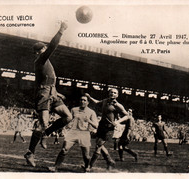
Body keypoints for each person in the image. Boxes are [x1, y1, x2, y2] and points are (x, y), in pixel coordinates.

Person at [24, 21, 73, 167]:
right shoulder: (40, 60)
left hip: (52, 92)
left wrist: (57, 93)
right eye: (44, 48)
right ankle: (30, 153)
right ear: (40, 51)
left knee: (68, 117)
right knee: (43, 123)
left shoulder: (45, 62)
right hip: (43, 93)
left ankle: (46, 134)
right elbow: (53, 46)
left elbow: (50, 80)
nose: (46, 50)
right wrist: (61, 30)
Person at [48, 95, 98, 172]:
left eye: (84, 100)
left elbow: (96, 125)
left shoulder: (91, 112)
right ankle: (55, 167)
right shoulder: (74, 110)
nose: (82, 101)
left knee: (86, 155)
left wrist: (89, 120)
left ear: (88, 102)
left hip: (84, 133)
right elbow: (69, 120)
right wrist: (66, 128)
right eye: (81, 100)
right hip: (73, 132)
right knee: (64, 150)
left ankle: (87, 167)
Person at [85, 88, 129, 170]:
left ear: (117, 95)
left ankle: (89, 166)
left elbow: (127, 115)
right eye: (111, 92)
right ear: (109, 93)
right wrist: (90, 98)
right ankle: (109, 161)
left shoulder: (117, 105)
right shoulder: (105, 101)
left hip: (109, 128)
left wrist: (118, 121)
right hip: (101, 125)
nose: (113, 94)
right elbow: (98, 102)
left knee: (98, 146)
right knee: (99, 145)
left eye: (115, 93)